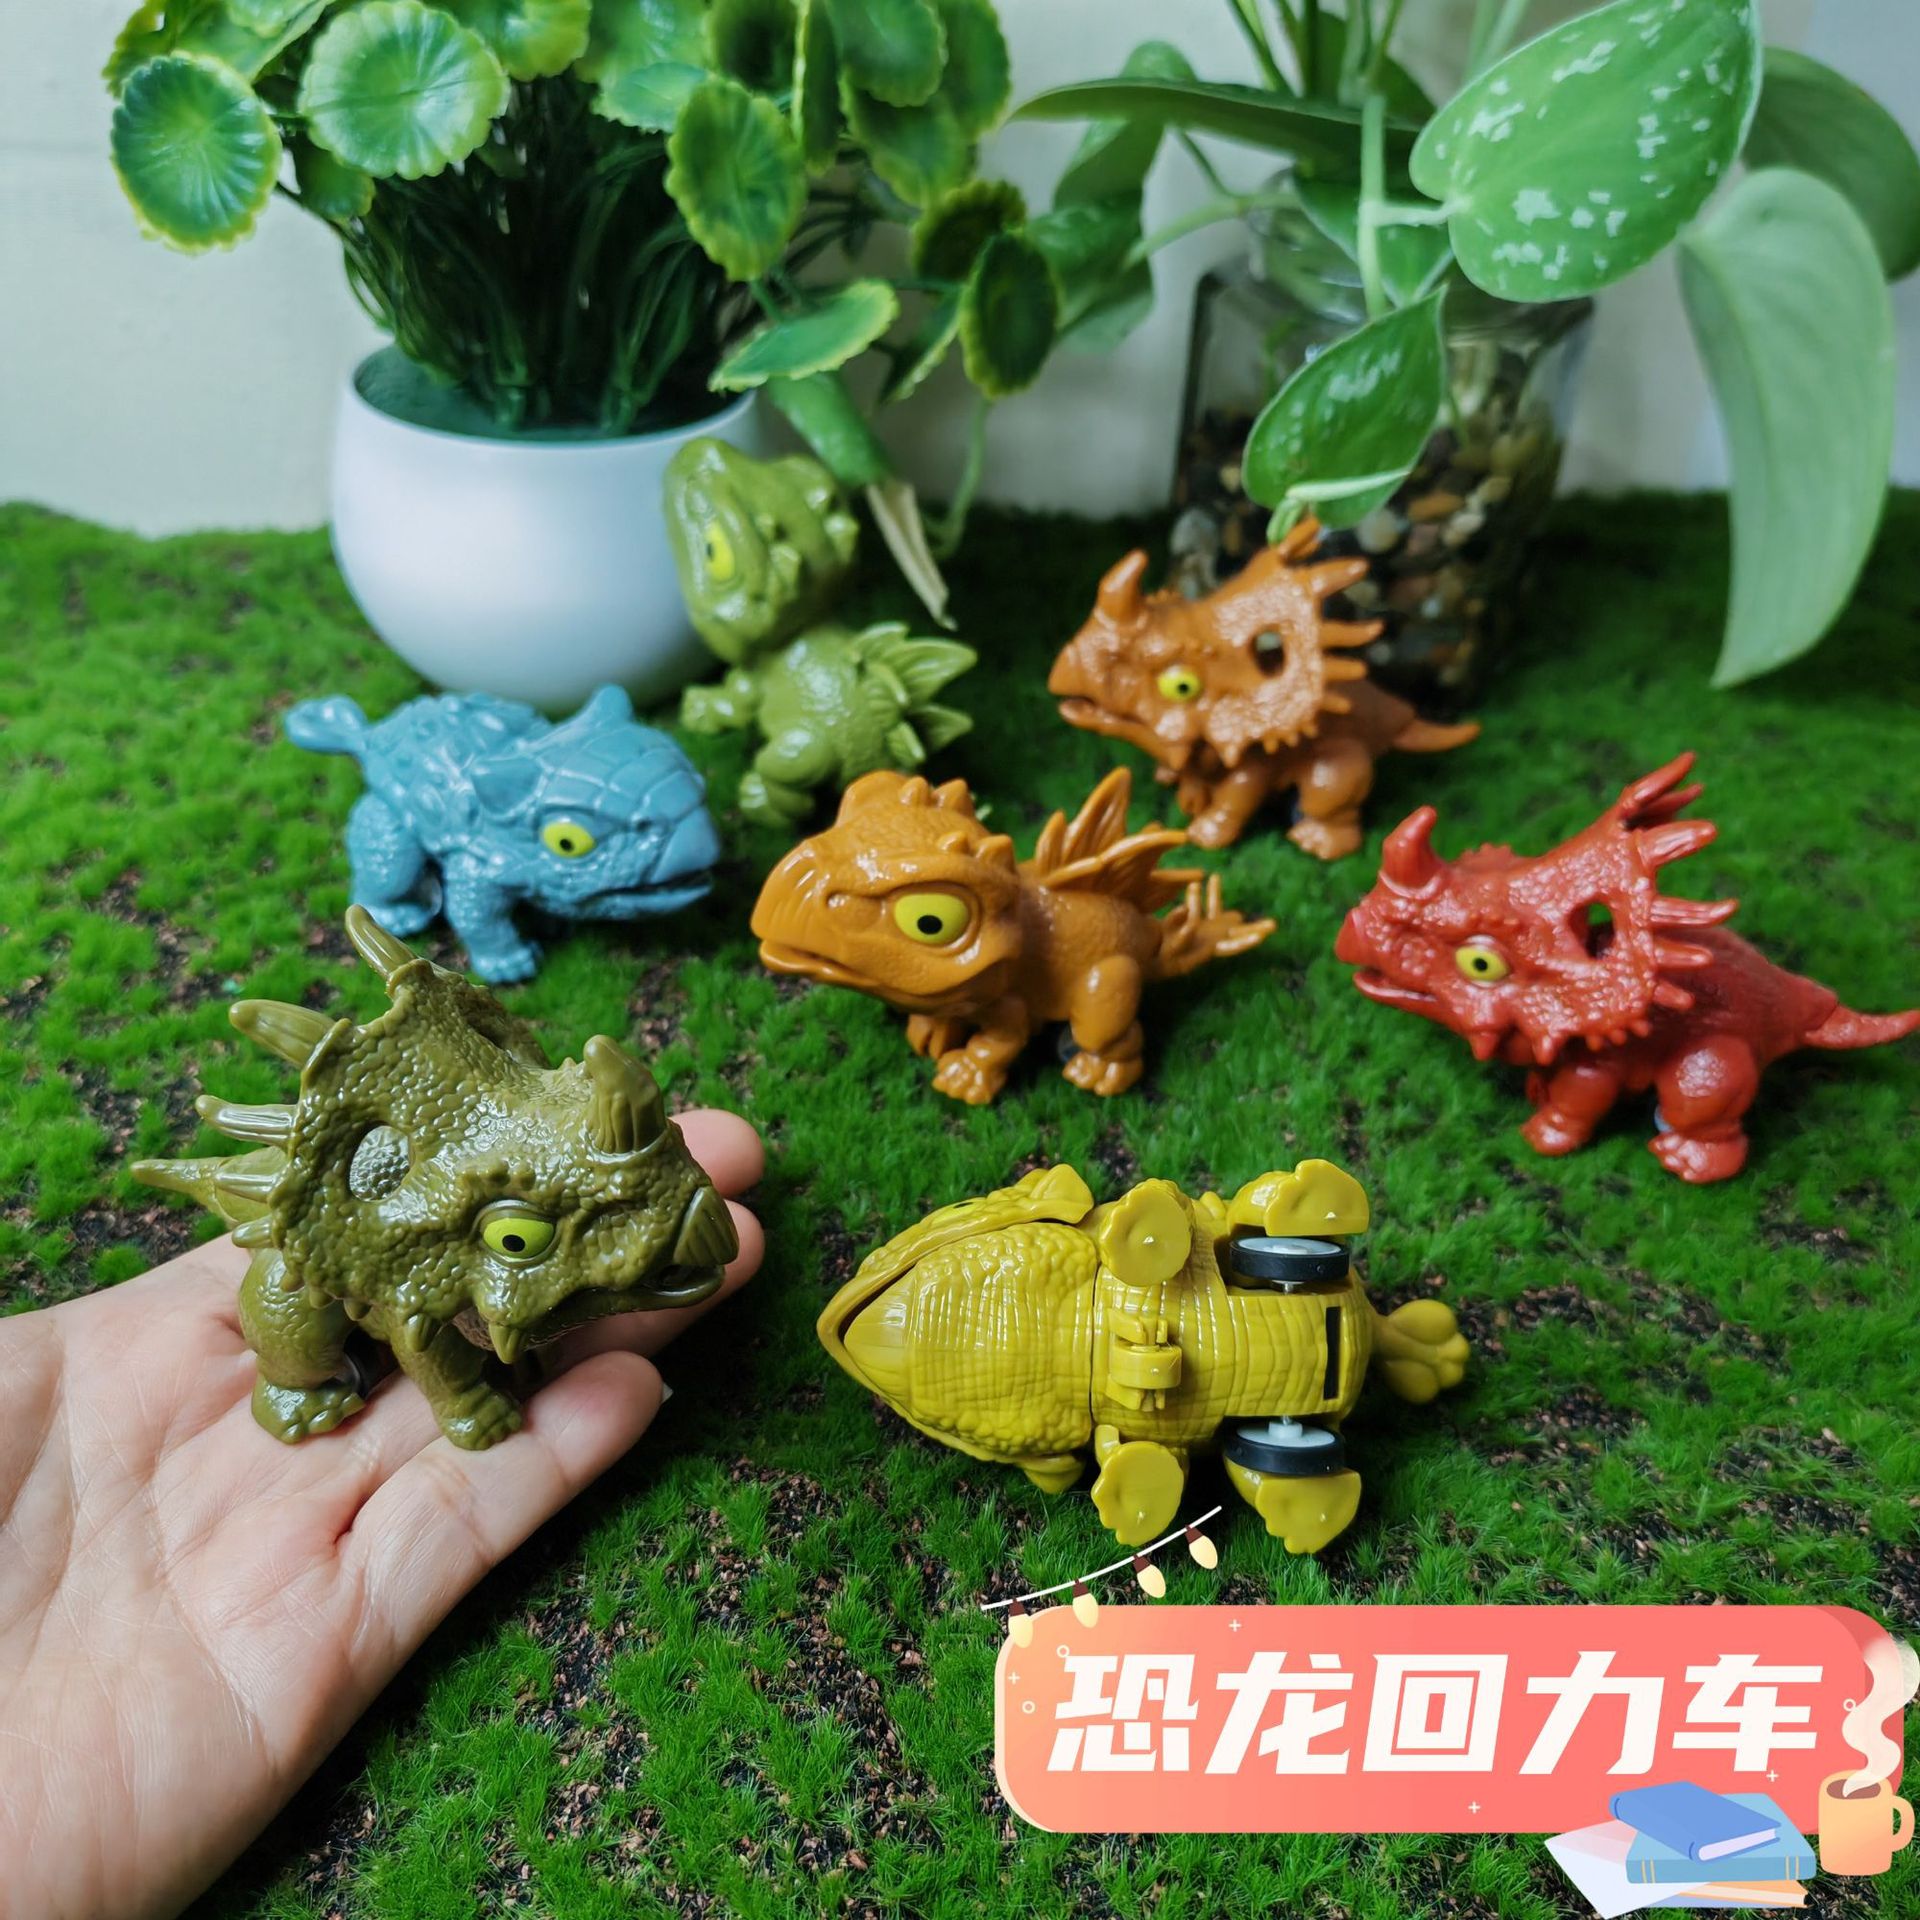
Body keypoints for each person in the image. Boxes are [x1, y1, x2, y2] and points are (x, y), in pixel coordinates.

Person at [0, 1108, 765, 1920]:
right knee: (296, 1311)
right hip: (344, 1275)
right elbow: (421, 1327)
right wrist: (461, 1401)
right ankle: (289, 1381)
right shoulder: (435, 1277)